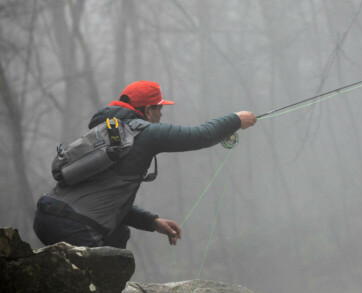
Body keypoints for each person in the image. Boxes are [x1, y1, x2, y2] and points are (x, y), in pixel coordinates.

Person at [33, 80, 257, 249]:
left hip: (44, 216)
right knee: (107, 276)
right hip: (76, 226)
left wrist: (153, 221)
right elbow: (201, 135)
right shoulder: (144, 131)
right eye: (159, 108)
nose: (161, 114)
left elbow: (101, 202)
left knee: (119, 232)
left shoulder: (105, 132)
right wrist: (237, 119)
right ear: (148, 111)